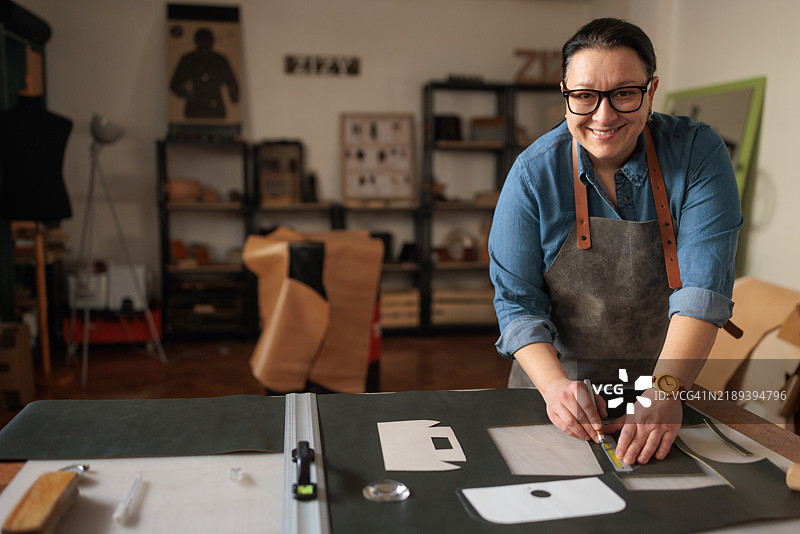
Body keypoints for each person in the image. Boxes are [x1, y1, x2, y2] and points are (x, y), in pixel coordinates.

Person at [488, 18, 743, 466]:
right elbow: (517, 303)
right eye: (584, 96)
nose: (603, 116)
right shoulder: (532, 174)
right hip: (559, 397)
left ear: (651, 91)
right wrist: (555, 389)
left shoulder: (696, 151)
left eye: (624, 93)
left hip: (665, 390)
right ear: (564, 94)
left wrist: (664, 391)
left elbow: (703, 290)